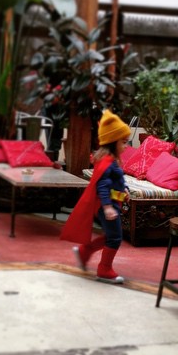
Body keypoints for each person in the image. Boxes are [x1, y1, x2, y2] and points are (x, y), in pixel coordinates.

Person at [60, 109, 131, 284]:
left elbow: (115, 182)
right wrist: (107, 207)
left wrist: (125, 191)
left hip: (111, 204)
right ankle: (104, 269)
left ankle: (85, 252)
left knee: (111, 236)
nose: (126, 146)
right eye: (123, 142)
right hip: (107, 206)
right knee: (115, 238)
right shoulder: (108, 162)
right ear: (113, 142)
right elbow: (103, 185)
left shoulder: (110, 160)